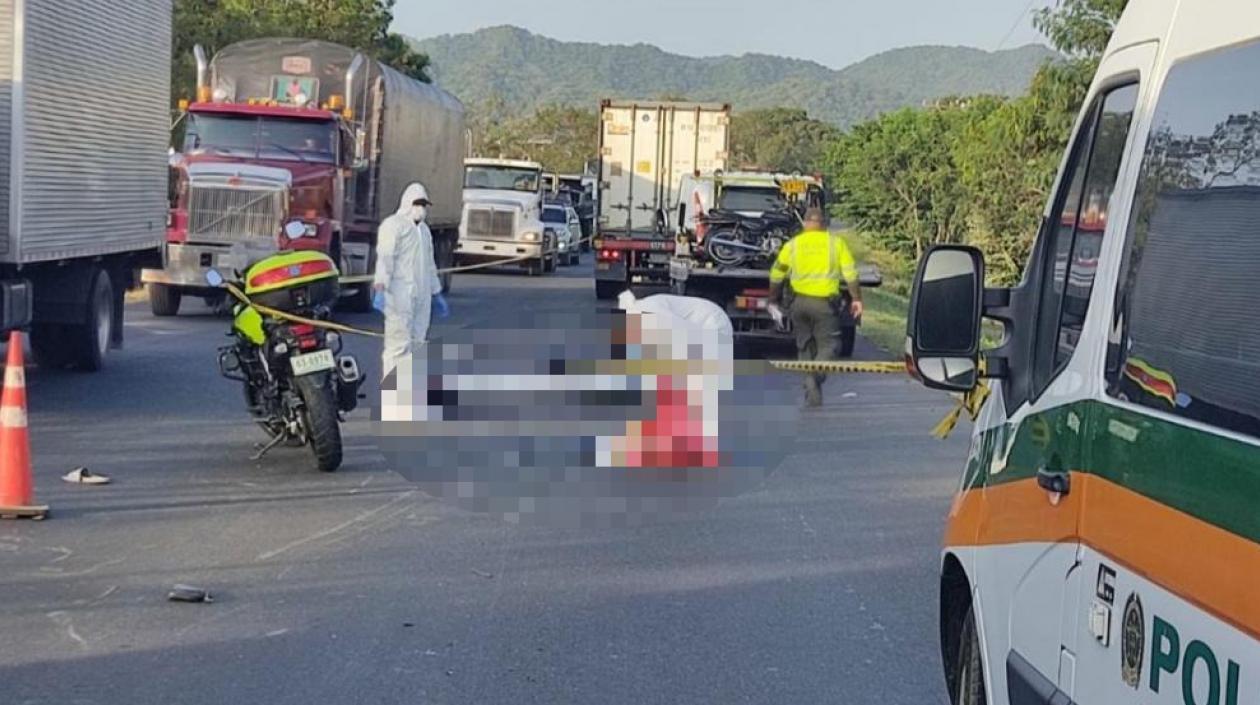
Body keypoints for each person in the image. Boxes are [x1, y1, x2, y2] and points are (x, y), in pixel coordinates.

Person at [768, 208, 863, 408]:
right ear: (824, 224)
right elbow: (851, 275)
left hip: (798, 303)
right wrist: (856, 299)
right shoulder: (835, 244)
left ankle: (812, 390)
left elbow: (777, 274)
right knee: (831, 346)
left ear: (805, 223)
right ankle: (814, 378)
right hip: (824, 305)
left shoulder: (793, 245)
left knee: (804, 345)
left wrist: (772, 299)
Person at [373, 182, 447, 379]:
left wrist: (436, 292)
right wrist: (381, 286)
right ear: (408, 203)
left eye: (424, 204)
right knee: (397, 346)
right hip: (399, 295)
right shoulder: (393, 225)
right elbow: (386, 257)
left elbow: (430, 264)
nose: (421, 209)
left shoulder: (424, 232)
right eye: (418, 203)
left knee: (417, 343)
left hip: (422, 296)